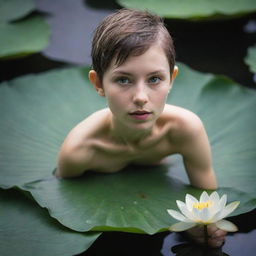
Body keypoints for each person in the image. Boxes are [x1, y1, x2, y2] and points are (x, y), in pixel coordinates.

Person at [56, 8, 226, 247]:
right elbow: (62, 200)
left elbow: (206, 196)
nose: (140, 97)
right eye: (123, 79)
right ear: (98, 83)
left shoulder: (186, 129)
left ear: (172, 79)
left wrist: (205, 227)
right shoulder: (78, 150)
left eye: (154, 79)